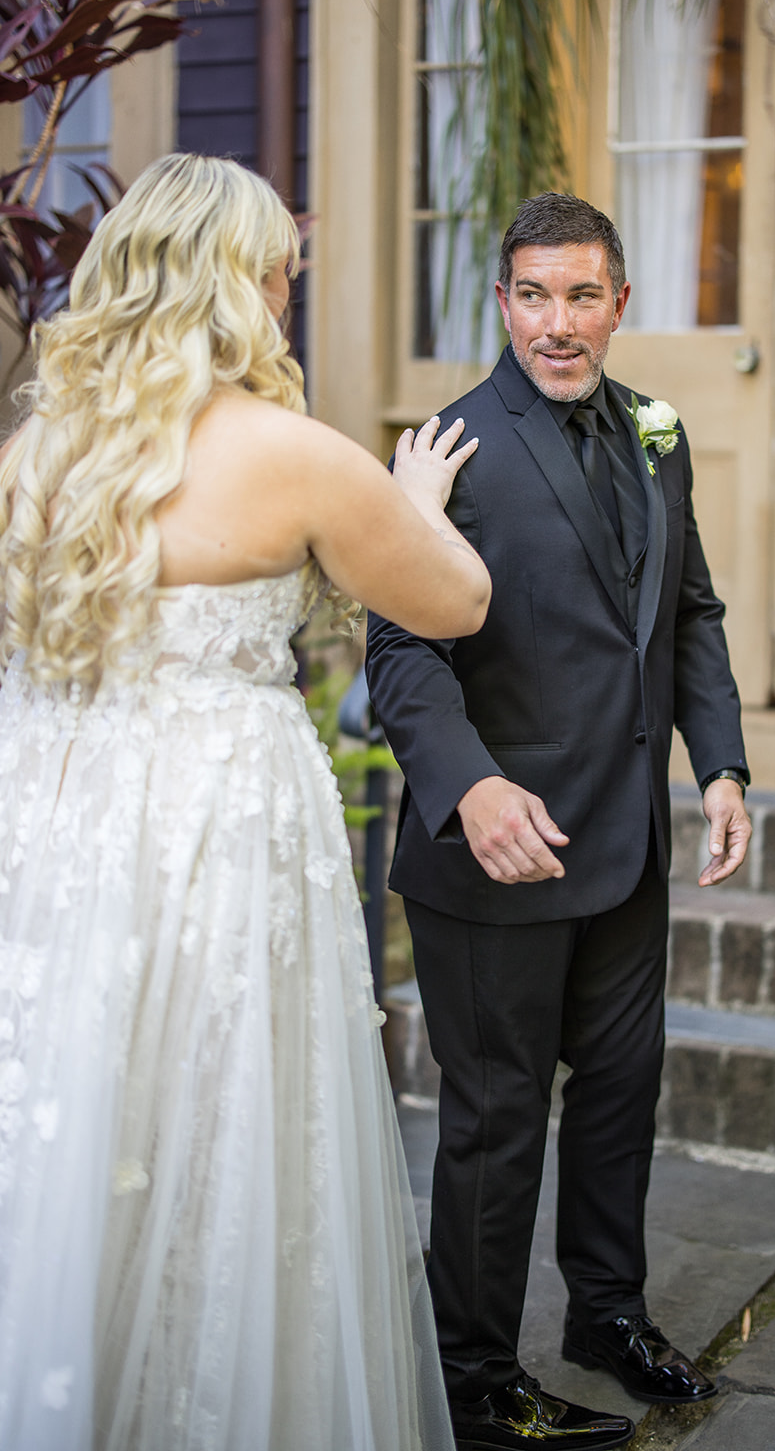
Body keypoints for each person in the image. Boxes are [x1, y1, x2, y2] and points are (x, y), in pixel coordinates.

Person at [0, 152, 491, 1451]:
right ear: (233, 282)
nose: (290, 288)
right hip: (219, 826)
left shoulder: (42, 451)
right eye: (280, 268)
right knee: (224, 1117)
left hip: (62, 821)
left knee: (80, 1109)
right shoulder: (291, 454)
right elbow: (452, 600)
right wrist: (416, 499)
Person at [365, 193, 751, 1451]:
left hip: (626, 841)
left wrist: (723, 767)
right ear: (501, 302)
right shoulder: (444, 452)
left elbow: (688, 611)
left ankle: (606, 1314)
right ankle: (473, 1379)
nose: (556, 323)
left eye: (580, 295)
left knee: (619, 1094)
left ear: (618, 301)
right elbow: (398, 650)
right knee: (492, 1118)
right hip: (496, 849)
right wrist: (469, 785)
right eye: (532, 295)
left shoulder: (657, 434)